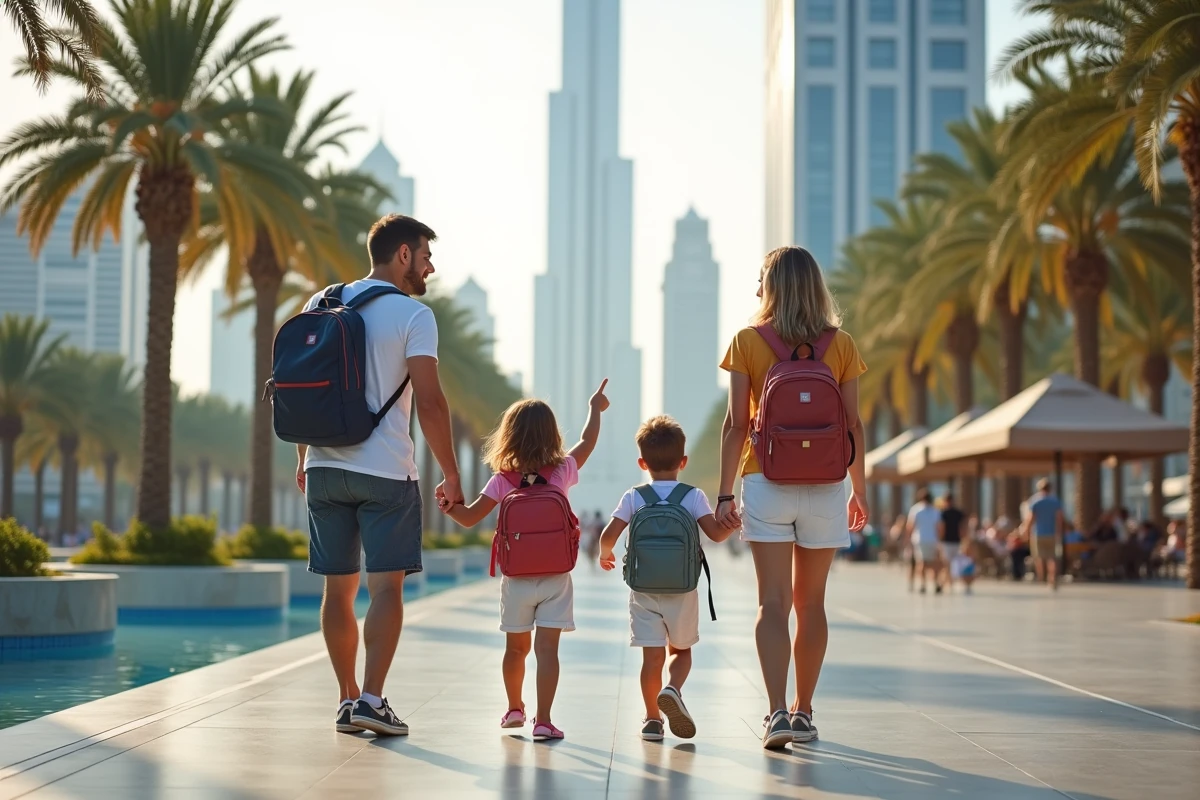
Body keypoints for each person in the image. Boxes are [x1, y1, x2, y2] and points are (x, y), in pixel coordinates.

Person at [296, 214, 462, 737]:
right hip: (385, 470)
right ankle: (371, 699)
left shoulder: (319, 304)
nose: (431, 267)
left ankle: (346, 699)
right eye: (426, 256)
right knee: (385, 589)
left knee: (336, 590)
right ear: (404, 255)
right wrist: (453, 473)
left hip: (323, 466)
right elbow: (431, 403)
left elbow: (303, 387)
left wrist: (303, 458)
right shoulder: (415, 315)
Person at [715, 246, 868, 750]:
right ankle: (805, 712)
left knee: (772, 603)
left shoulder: (746, 342)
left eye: (761, 280)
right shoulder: (841, 344)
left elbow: (737, 424)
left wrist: (722, 495)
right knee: (813, 603)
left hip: (766, 481)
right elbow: (854, 426)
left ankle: (776, 712)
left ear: (771, 286)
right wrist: (858, 492)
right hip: (827, 485)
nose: (756, 289)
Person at [441, 384, 609, 742]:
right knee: (547, 651)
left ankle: (515, 708)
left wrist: (448, 507)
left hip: (516, 579)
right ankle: (544, 721)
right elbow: (588, 442)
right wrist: (595, 408)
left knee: (515, 648)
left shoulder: (503, 479)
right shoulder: (562, 470)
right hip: (555, 578)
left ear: (509, 437)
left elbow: (470, 518)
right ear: (551, 435)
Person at [597, 416, 733, 741]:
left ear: (642, 462)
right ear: (682, 462)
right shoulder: (693, 496)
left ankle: (652, 720)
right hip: (683, 590)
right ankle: (673, 688)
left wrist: (605, 554)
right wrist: (731, 525)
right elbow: (715, 535)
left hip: (643, 590)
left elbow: (608, 535)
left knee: (651, 657)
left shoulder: (634, 496)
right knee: (681, 651)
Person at [1023, 478, 1064, 589]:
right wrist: (1059, 531)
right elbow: (1059, 518)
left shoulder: (1035, 501)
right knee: (1052, 557)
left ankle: (1041, 578)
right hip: (1052, 533)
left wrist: (1026, 531)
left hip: (1038, 533)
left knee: (1039, 557)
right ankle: (1052, 579)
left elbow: (1031, 518)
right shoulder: (1055, 501)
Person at [906, 489, 941, 594]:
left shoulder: (916, 509)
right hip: (932, 539)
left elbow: (910, 526)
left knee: (921, 562)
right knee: (934, 562)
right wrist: (939, 539)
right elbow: (939, 527)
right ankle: (935, 583)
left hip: (919, 539)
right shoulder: (935, 511)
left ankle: (922, 584)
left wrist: (907, 539)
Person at [938, 493, 966, 591]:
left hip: (947, 541)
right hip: (956, 541)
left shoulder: (943, 513)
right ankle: (949, 582)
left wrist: (940, 539)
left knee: (947, 563)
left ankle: (947, 582)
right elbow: (962, 528)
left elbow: (942, 528)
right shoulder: (958, 513)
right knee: (953, 563)